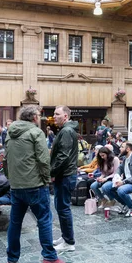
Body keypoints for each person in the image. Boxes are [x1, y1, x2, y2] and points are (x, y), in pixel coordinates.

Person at [3, 106, 65, 263]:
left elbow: (5, 159)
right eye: (38, 115)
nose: (40, 118)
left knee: (15, 222)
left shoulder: (10, 133)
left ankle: (12, 258)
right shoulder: (36, 133)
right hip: (35, 185)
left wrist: (11, 179)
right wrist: (46, 180)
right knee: (44, 219)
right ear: (34, 117)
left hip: (16, 186)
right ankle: (49, 257)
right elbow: (44, 160)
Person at [50, 105, 79, 252]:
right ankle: (66, 236)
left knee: (63, 208)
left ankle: (69, 242)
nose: (54, 116)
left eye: (57, 114)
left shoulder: (67, 131)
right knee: (61, 207)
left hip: (65, 175)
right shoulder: (65, 130)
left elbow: (63, 156)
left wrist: (52, 172)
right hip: (65, 174)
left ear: (65, 116)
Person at [101, 142, 132, 217]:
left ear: (127, 149)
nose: (119, 148)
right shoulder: (125, 158)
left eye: (122, 147)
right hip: (126, 182)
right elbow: (120, 168)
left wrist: (123, 182)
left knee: (121, 190)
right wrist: (117, 175)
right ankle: (126, 204)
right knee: (106, 187)